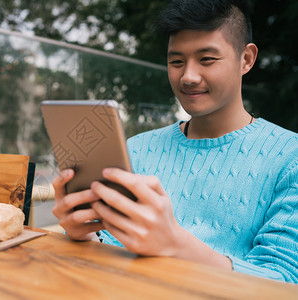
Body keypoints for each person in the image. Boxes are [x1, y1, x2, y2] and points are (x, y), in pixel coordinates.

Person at [51, 0, 298, 283]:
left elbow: (284, 280)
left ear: (246, 59)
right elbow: (111, 247)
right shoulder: (136, 148)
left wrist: (175, 244)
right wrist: (84, 234)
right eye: (176, 62)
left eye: (207, 59)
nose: (188, 77)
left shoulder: (291, 157)